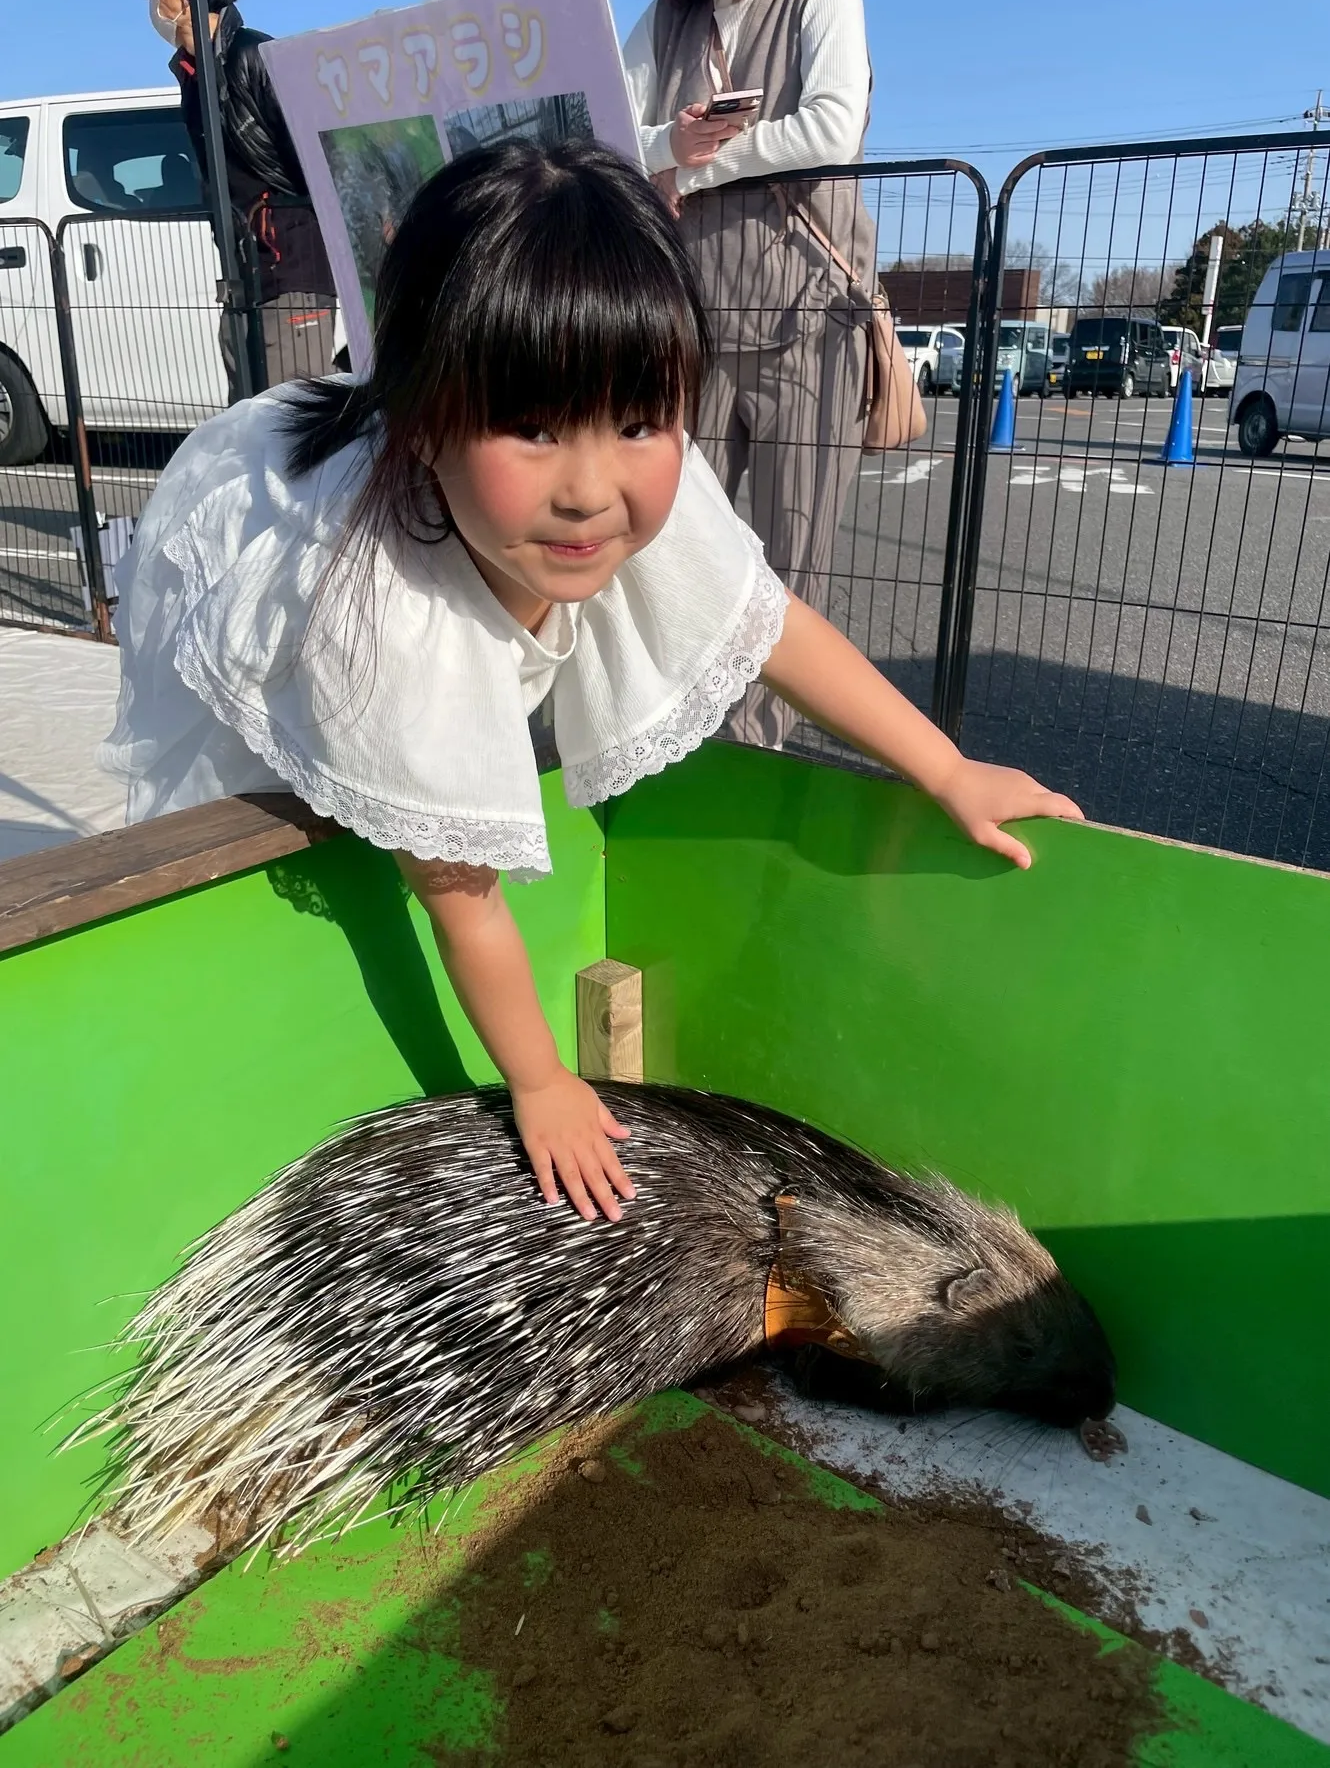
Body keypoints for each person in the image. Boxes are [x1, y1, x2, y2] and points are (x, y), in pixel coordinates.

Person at [100, 140, 1079, 1227]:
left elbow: (774, 629)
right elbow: (458, 894)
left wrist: (945, 770)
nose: (589, 490)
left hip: (431, 546)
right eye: (529, 428)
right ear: (425, 423)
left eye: (637, 422)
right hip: (255, 535)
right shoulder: (375, 606)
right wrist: (541, 1081)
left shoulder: (638, 474)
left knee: (443, 743)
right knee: (298, 793)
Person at [623, 0, 922, 751]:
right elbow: (608, 130)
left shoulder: (820, 0)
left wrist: (691, 165)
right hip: (692, 325)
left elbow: (834, 126)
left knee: (792, 563)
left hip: (814, 321)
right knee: (676, 549)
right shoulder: (664, 18)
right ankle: (676, 744)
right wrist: (668, 139)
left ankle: (758, 753)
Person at [148, 0, 338, 392]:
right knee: (249, 414)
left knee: (291, 413)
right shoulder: (192, 73)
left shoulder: (255, 55)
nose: (150, 5)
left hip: (291, 264)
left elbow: (319, 157)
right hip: (243, 268)